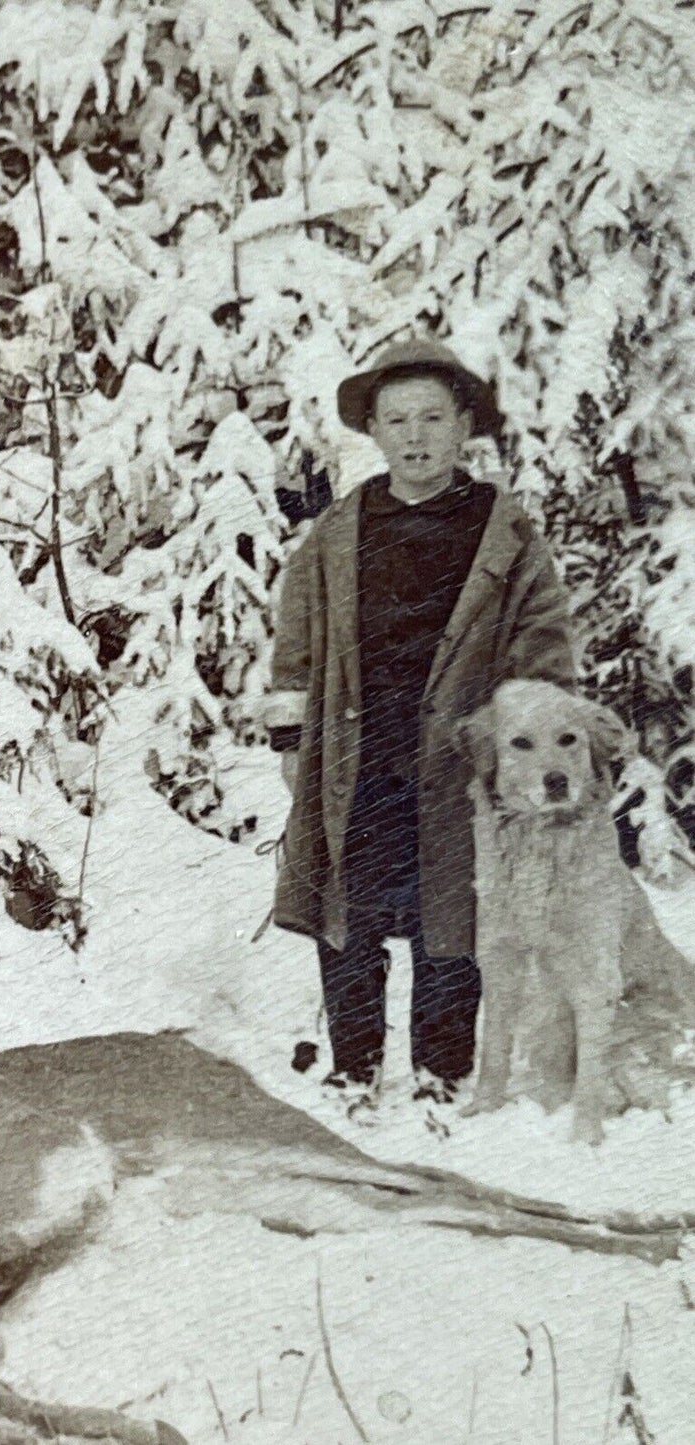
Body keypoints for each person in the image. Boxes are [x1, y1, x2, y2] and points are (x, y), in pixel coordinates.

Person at [265, 338, 576, 1111]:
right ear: (370, 429)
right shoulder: (337, 533)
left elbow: (541, 647)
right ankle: (354, 1071)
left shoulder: (504, 532)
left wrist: (523, 747)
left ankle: (441, 1075)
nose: (415, 437)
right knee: (350, 910)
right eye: (396, 419)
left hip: (459, 763)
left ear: (464, 423)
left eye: (432, 417)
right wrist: (289, 738)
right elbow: (295, 646)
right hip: (357, 753)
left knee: (453, 912)